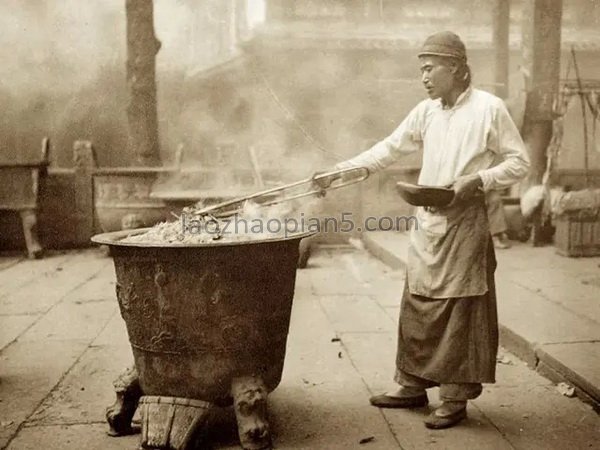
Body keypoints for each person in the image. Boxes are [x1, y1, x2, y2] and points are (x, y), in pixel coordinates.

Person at [315, 31, 530, 429]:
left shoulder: (489, 108)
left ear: (457, 68)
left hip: (465, 226)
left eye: (430, 69)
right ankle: (411, 385)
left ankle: (453, 397)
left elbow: (520, 163)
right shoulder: (427, 111)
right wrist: (338, 172)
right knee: (418, 304)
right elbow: (387, 149)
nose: (424, 77)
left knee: (459, 310)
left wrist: (478, 180)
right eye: (421, 70)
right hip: (428, 223)